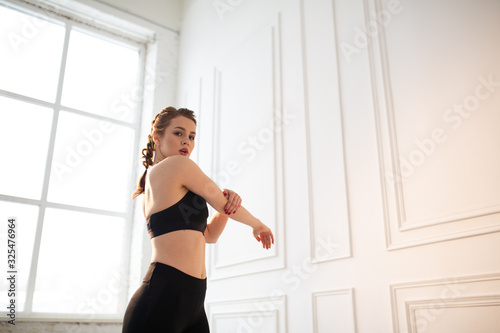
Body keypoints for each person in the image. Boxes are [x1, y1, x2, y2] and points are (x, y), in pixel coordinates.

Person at [122, 106, 274, 332]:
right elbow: (218, 201)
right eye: (179, 133)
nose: (187, 142)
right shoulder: (177, 165)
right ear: (157, 136)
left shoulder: (155, 188)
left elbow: (209, 236)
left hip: (193, 299)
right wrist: (257, 224)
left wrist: (226, 206)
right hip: (163, 296)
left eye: (192, 137)